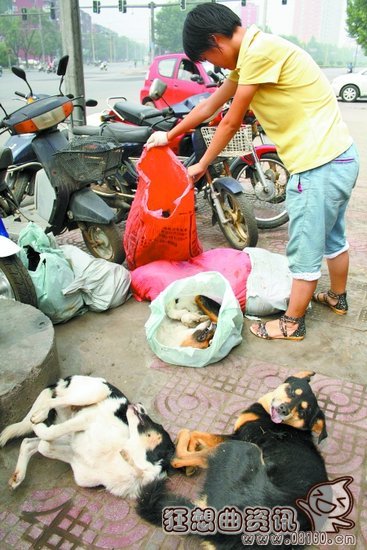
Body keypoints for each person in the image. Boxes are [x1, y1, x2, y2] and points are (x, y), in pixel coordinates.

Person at [146, 3, 359, 341]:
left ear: (216, 41)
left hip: (317, 165)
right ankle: (337, 296)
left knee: (304, 246)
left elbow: (231, 120)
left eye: (208, 57)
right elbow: (209, 105)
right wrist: (169, 136)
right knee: (332, 238)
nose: (212, 65)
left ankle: (292, 323)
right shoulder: (253, 54)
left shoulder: (258, 53)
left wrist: (201, 165)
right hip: (339, 158)